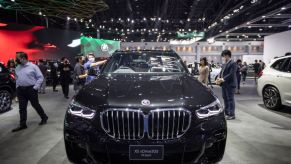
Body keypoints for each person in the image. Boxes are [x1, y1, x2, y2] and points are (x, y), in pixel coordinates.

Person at [12, 52, 48, 132]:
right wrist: (17, 88)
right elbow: (17, 79)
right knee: (22, 108)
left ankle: (44, 117)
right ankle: (23, 124)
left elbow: (40, 77)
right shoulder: (17, 67)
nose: (16, 59)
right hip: (20, 90)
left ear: (23, 58)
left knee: (35, 105)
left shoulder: (33, 67)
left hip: (31, 89)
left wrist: (35, 88)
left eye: (18, 58)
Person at [216, 50, 237, 120]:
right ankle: (227, 113)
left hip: (230, 85)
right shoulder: (225, 63)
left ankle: (232, 114)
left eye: (224, 56)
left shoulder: (233, 63)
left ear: (227, 55)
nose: (223, 58)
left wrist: (222, 79)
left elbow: (231, 74)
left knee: (230, 99)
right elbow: (221, 72)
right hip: (224, 84)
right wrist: (218, 77)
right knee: (225, 98)